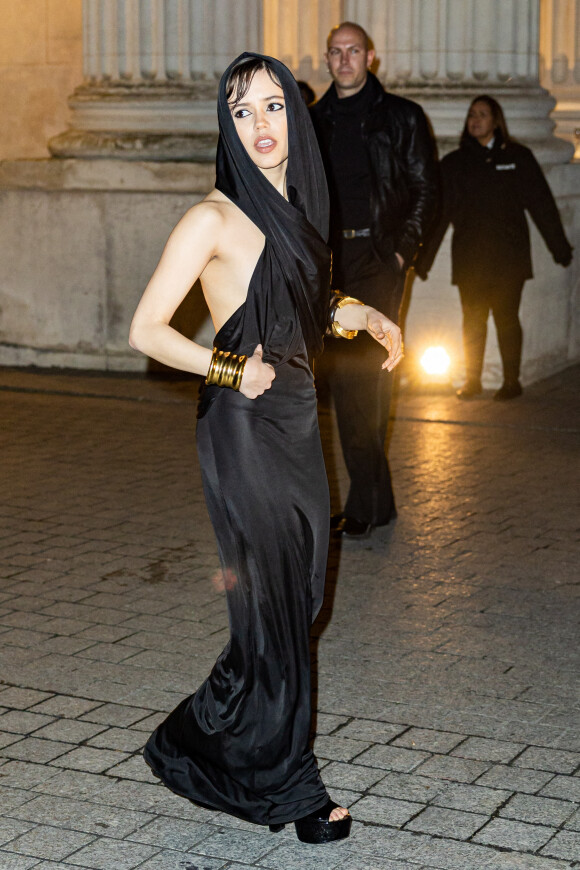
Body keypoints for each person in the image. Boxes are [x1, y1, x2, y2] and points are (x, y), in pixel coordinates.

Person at [129, 53, 402, 843]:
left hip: (294, 417)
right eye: (242, 111)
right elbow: (145, 330)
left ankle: (195, 738)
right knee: (277, 611)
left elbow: (314, 302)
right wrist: (224, 364)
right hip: (241, 425)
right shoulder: (210, 218)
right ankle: (293, 790)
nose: (261, 126)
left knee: (298, 601)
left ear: (297, 114)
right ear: (227, 123)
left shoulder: (301, 211)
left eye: (274, 106)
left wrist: (368, 316)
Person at [310, 21, 438, 538]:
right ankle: (375, 502)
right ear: (327, 60)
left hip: (379, 259)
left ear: (371, 57)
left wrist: (403, 253)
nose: (344, 60)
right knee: (345, 382)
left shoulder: (402, 117)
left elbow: (428, 188)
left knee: (369, 376)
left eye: (354, 51)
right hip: (332, 262)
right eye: (336, 52)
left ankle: (364, 505)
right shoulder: (313, 121)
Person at [416, 94, 572, 401]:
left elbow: (542, 205)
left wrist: (559, 248)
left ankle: (511, 381)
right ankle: (472, 379)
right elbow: (441, 214)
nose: (475, 120)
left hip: (508, 259)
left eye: (483, 114)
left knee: (506, 319)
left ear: (496, 121)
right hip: (470, 259)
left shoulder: (518, 157)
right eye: (472, 114)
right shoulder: (455, 163)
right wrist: (423, 260)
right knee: (472, 322)